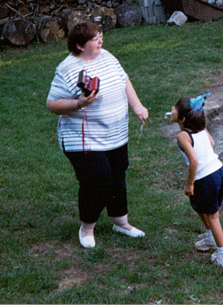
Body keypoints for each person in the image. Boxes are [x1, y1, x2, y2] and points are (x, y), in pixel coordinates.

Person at [46, 21, 149, 248]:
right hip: (83, 139)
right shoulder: (67, 69)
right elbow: (52, 104)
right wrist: (79, 103)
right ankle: (87, 227)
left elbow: (124, 80)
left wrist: (137, 106)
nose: (101, 41)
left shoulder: (107, 57)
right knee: (98, 179)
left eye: (100, 36)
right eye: (95, 39)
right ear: (81, 46)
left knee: (118, 174)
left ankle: (121, 222)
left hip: (116, 134)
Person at [170, 93, 223, 268]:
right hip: (218, 171)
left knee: (213, 215)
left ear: (181, 119)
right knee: (200, 207)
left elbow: (194, 161)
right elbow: (211, 143)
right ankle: (211, 237)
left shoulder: (182, 136)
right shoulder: (201, 128)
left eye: (174, 108)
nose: (171, 110)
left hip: (204, 179)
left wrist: (189, 184)